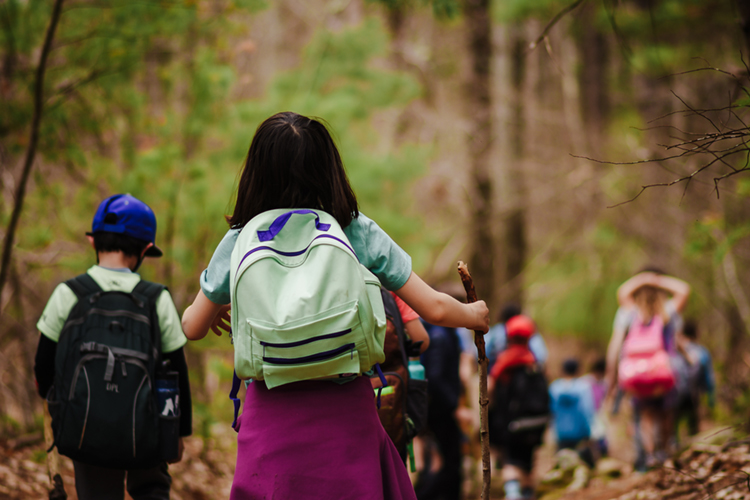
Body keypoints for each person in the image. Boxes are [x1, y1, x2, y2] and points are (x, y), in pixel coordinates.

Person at [180, 112, 489, 500]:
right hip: (345, 412)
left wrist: (221, 308)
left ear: (256, 172)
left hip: (271, 414)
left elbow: (191, 326)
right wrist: (475, 314)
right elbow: (436, 310)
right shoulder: (353, 228)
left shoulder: (242, 237)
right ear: (329, 170)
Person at [34, 194, 192, 500]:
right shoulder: (156, 299)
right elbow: (177, 371)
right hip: (147, 433)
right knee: (152, 490)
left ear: (93, 242)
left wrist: (60, 406)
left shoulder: (68, 294)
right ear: (146, 249)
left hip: (86, 431)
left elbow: (43, 365)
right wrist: (178, 433)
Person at [605, 270, 690, 470]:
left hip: (637, 374)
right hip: (663, 372)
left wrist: (642, 279)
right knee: (666, 412)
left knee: (646, 415)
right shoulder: (667, 312)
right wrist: (657, 280)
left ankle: (650, 455)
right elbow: (684, 290)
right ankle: (664, 450)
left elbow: (622, 291)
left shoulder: (631, 313)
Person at [488, 315, 549, 500]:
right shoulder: (535, 363)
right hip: (535, 423)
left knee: (511, 462)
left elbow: (490, 390)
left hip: (510, 424)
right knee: (528, 463)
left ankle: (514, 494)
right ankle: (528, 494)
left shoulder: (503, 363)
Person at [415, 320, 463, 500]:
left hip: (435, 407)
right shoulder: (439, 336)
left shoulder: (437, 333)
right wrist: (454, 406)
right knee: (449, 464)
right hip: (440, 409)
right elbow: (435, 378)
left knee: (442, 462)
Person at [549, 359, 596, 467]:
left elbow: (551, 411)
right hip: (580, 434)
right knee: (583, 465)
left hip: (561, 434)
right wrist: (590, 431)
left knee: (563, 463)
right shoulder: (583, 387)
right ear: (578, 370)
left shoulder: (554, 387)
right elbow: (587, 410)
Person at [676, 319, 715, 436]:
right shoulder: (702, 352)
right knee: (693, 424)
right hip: (694, 394)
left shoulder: (677, 350)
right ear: (696, 333)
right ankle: (694, 444)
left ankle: (673, 448)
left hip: (676, 392)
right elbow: (709, 378)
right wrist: (710, 398)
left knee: (674, 423)